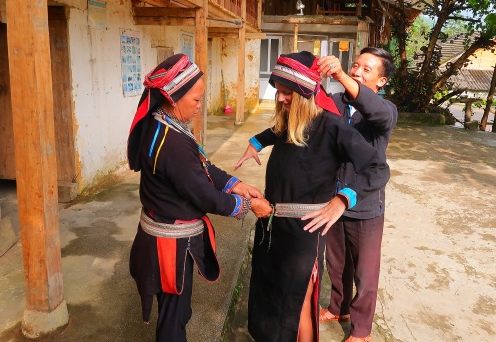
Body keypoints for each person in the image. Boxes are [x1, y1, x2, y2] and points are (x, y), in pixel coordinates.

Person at [235, 51, 390, 342]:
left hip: (305, 232)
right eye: (278, 92)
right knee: (271, 293)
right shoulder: (291, 122)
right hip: (273, 227)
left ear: (305, 94)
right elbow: (275, 130)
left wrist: (342, 199)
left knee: (299, 301)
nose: (280, 99)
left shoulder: (334, 126)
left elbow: (378, 169)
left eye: (287, 93)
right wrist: (255, 142)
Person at [126, 53, 272, 342]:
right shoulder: (173, 143)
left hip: (160, 238)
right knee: (174, 317)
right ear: (172, 98)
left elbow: (201, 167)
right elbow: (204, 195)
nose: (199, 107)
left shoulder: (164, 125)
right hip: (170, 248)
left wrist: (235, 184)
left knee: (175, 311)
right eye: (195, 100)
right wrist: (247, 206)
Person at [315, 47, 398, 342]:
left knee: (365, 272)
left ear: (382, 81)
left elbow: (372, 109)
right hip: (333, 199)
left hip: (364, 202)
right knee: (336, 263)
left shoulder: (384, 111)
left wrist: (337, 73)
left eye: (367, 69)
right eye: (356, 66)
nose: (357, 72)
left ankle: (362, 331)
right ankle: (339, 308)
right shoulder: (336, 102)